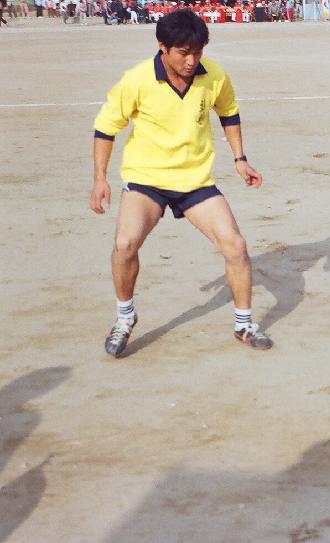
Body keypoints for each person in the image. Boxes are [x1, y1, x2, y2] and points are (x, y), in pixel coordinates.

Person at [90, 10, 273, 357]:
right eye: (183, 52)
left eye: (198, 52)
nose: (192, 61)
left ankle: (244, 324)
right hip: (147, 180)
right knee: (125, 243)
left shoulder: (214, 76)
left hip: (195, 180)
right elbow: (106, 128)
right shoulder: (137, 80)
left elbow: (228, 111)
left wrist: (240, 158)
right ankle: (125, 317)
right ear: (163, 47)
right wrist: (99, 179)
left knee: (235, 245)